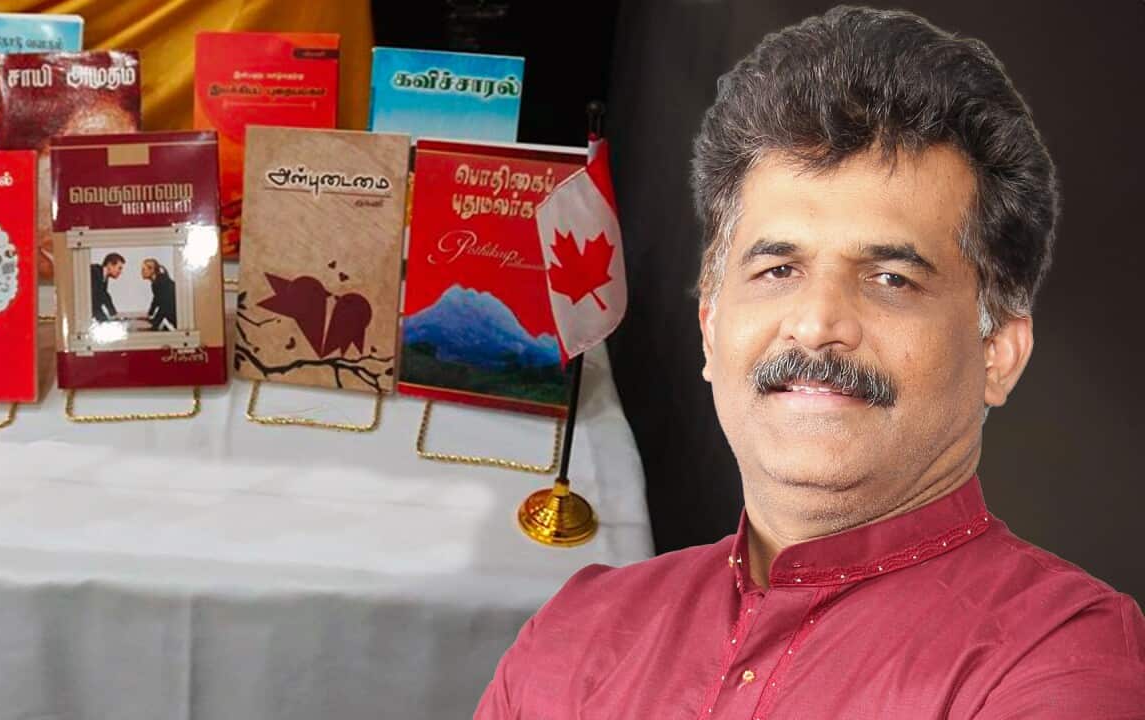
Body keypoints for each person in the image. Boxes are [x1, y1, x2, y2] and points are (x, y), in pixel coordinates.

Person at [476, 7, 1145, 719]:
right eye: (778, 270)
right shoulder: (573, 634)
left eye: (891, 279)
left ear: (999, 352)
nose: (818, 324)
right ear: (710, 329)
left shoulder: (1064, 663)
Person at [142, 258, 176, 331]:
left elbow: (164, 305)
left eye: (144, 269)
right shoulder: (157, 282)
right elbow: (156, 300)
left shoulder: (161, 282)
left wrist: (155, 323)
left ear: (152, 270)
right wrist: (150, 314)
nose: (142, 272)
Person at [89, 252, 123, 322]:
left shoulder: (103, 275)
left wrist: (113, 313)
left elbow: (104, 295)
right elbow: (94, 299)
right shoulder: (94, 272)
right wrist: (103, 319)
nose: (120, 272)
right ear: (109, 265)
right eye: (119, 268)